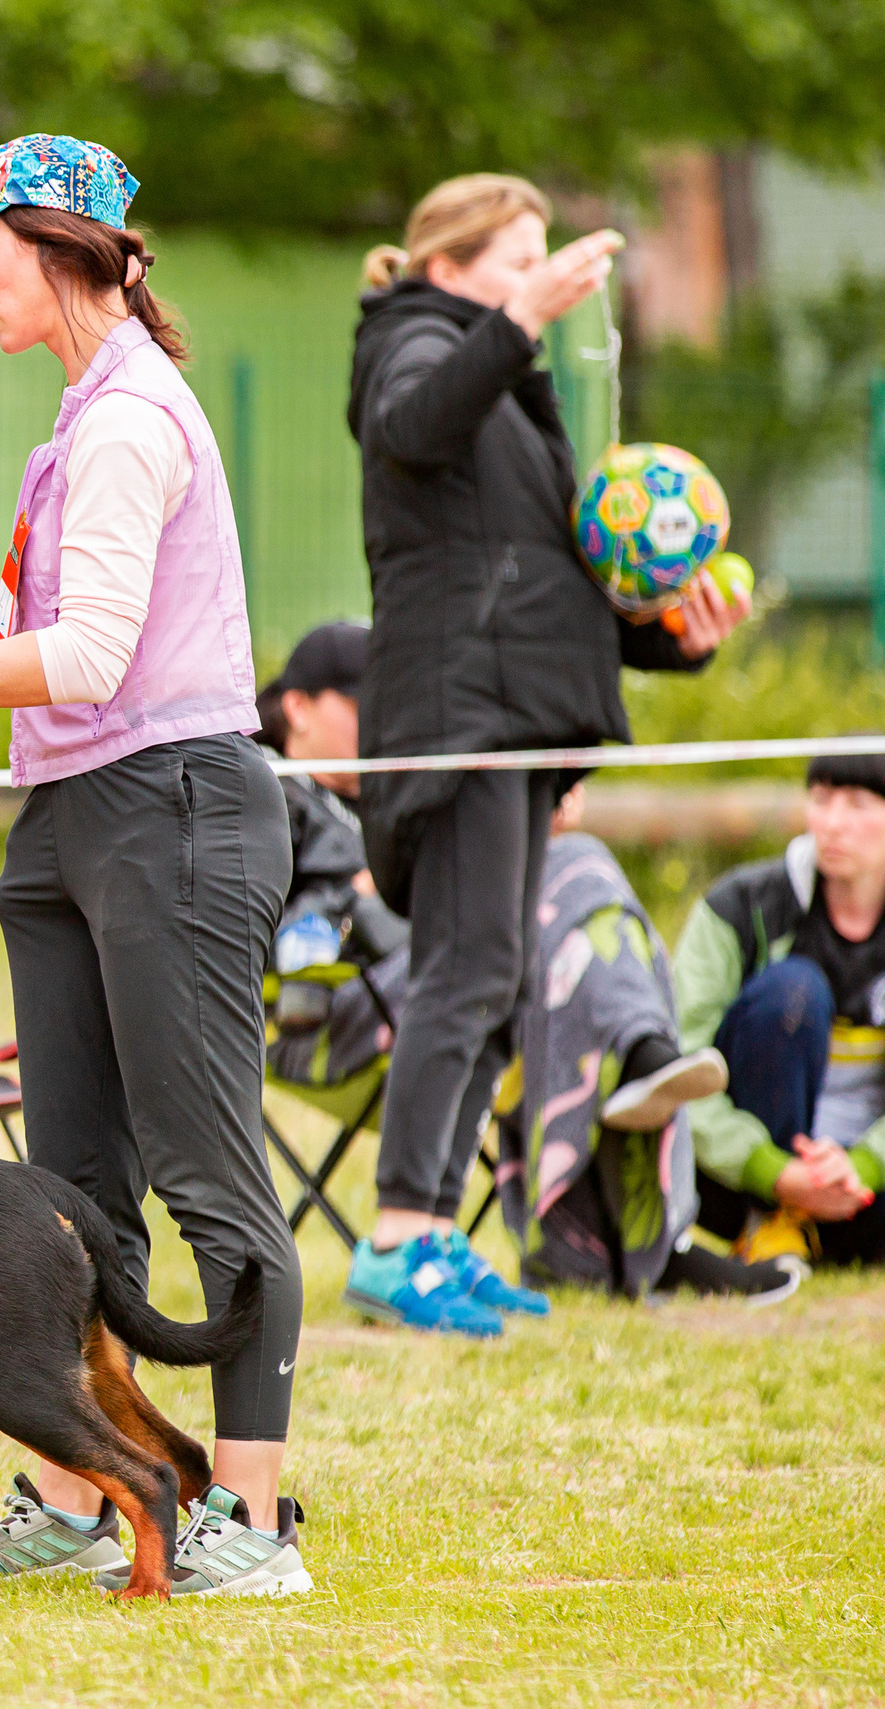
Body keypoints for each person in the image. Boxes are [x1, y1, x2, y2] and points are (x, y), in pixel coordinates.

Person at [0, 134, 307, 1597]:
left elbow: (92, 662)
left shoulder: (133, 417)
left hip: (174, 810)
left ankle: (257, 1527)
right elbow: (91, 631)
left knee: (211, 1173)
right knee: (77, 1191)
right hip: (78, 818)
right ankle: (90, 1493)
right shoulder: (82, 417)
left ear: (56, 247)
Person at [344, 173, 747, 1335]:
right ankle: (395, 1236)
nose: (547, 276)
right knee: (463, 971)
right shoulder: (407, 342)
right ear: (451, 261)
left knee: (499, 976)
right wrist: (521, 317)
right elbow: (410, 427)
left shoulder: (511, 389)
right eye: (520, 255)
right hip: (459, 718)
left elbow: (556, 584)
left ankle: (431, 1235)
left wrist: (666, 637)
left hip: (521, 718)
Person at [495, 787, 782, 1301]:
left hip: (497, 967)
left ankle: (635, 1056)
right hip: (407, 988)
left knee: (573, 928)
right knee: (579, 860)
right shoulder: (320, 806)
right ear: (299, 710)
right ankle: (638, 1051)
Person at [672, 751, 885, 1269]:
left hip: (863, 1185)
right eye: (820, 800)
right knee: (794, 993)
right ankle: (770, 1220)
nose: (832, 823)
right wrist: (774, 1172)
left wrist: (863, 1164)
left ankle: (820, 1229)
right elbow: (675, 1068)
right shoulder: (738, 906)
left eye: (857, 803)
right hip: (739, 1180)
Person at [255, 622, 408, 1092]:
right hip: (337, 1013)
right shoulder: (265, 797)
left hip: (419, 987)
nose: (380, 724)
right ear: (298, 708)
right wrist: (352, 895)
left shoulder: (392, 796)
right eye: (362, 706)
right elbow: (244, 930)